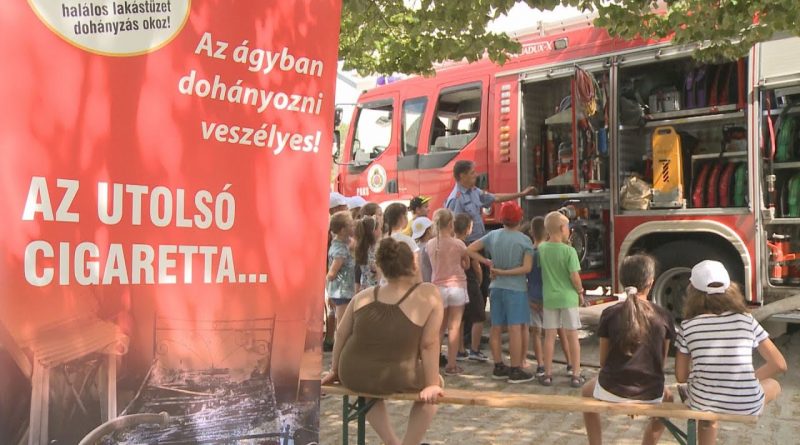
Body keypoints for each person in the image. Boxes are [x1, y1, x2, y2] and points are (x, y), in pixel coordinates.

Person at [322, 238, 444, 445]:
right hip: (397, 374)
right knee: (436, 386)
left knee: (369, 387)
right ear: (413, 265)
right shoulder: (428, 294)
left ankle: (391, 442)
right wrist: (432, 384)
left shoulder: (363, 296)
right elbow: (429, 344)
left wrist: (335, 370)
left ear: (380, 267)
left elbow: (341, 334)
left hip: (352, 373)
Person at [675, 260, 787, 445]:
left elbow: (680, 377)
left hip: (703, 402)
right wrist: (744, 381)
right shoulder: (746, 320)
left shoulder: (688, 326)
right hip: (747, 404)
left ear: (692, 292)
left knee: (706, 410)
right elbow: (779, 364)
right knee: (774, 384)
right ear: (730, 289)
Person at [581, 254, 676, 445]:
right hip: (650, 392)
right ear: (651, 282)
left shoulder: (610, 313)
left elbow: (603, 361)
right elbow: (660, 362)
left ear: (622, 280)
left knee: (586, 392)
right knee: (669, 399)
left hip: (611, 388)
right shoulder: (664, 316)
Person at [467, 201, 535, 383]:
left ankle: (498, 366)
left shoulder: (493, 235)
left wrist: (487, 262)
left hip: (496, 287)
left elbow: (469, 249)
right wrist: (505, 272)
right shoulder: (525, 240)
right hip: (516, 289)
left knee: (496, 328)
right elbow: (527, 268)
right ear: (520, 219)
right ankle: (516, 368)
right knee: (515, 328)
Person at [539, 211, 584, 387]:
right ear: (561, 228)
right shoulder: (569, 251)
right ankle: (576, 374)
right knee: (572, 336)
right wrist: (580, 291)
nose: (569, 230)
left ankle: (547, 374)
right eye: (567, 227)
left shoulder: (542, 249)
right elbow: (574, 277)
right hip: (568, 298)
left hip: (549, 297)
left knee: (549, 337)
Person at [444, 160, 538, 243]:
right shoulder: (456, 199)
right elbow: (453, 229)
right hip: (467, 244)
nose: (476, 175)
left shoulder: (474, 191)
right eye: (472, 173)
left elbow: (495, 198)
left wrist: (522, 194)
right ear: (462, 176)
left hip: (479, 239)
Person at [426, 209, 470, 376]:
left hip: (438, 287)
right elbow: (466, 264)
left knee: (439, 328)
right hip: (457, 286)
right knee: (454, 327)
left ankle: (434, 362)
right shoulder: (459, 244)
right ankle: (452, 365)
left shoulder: (430, 245)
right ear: (451, 224)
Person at [526, 217, 571, 377]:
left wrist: (528, 299)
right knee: (561, 331)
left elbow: (525, 278)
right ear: (547, 233)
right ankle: (570, 363)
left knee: (536, 333)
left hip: (533, 297)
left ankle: (540, 365)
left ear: (531, 232)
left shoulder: (529, 253)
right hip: (550, 298)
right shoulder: (548, 252)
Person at [455, 213, 489, 362]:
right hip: (470, 283)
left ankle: (460, 349)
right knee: (479, 316)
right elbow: (476, 267)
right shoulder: (467, 246)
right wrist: (479, 281)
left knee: (460, 318)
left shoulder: (451, 244)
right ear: (468, 229)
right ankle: (475, 349)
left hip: (457, 284)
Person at [326, 211, 356, 325]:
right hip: (342, 292)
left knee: (344, 322)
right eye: (351, 225)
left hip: (343, 291)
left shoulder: (339, 243)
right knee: (343, 323)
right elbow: (331, 274)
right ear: (343, 230)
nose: (353, 227)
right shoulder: (341, 250)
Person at [384, 203, 422, 281]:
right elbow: (416, 263)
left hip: (386, 282)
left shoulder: (382, 239)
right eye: (406, 215)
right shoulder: (407, 240)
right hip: (405, 282)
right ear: (401, 218)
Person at [355, 216, 381, 291]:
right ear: (374, 231)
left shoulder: (361, 248)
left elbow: (357, 271)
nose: (381, 231)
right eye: (379, 228)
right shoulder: (375, 250)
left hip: (364, 287)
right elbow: (378, 271)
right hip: (375, 289)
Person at [412, 216, 434, 282]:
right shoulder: (431, 246)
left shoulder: (415, 247)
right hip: (431, 282)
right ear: (429, 230)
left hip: (420, 282)